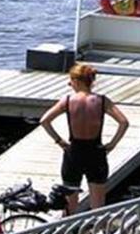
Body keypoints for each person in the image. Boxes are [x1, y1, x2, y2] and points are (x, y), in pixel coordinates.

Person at [39, 64, 130, 213]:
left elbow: (44, 121)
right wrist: (112, 144)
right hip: (96, 154)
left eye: (71, 81)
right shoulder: (102, 101)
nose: (69, 84)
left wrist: (60, 141)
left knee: (69, 208)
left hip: (73, 153)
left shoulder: (68, 100)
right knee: (98, 208)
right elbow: (124, 122)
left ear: (77, 81)